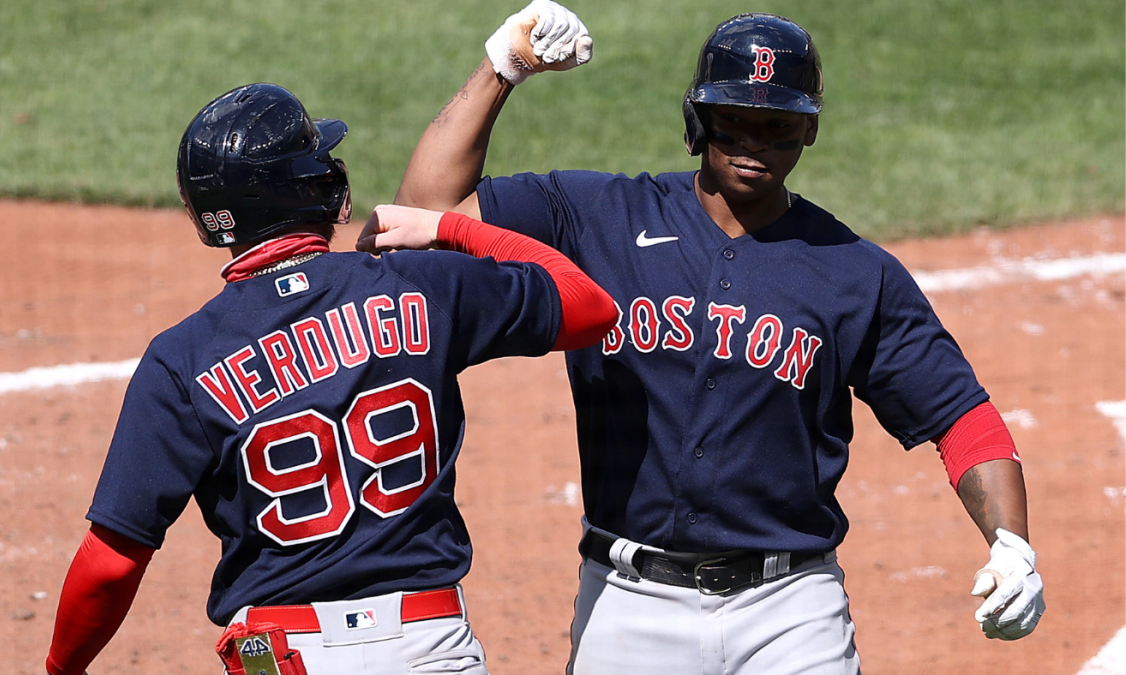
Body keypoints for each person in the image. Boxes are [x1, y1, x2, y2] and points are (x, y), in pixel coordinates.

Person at [377, 4, 1046, 674]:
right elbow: (423, 215)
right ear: (699, 122)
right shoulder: (597, 217)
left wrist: (1011, 544)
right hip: (627, 600)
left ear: (808, 130)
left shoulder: (854, 271)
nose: (754, 142)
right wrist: (502, 68)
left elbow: (962, 419)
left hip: (790, 610)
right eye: (735, 122)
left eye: (777, 126)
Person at [43, 82, 616, 675]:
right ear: (308, 188)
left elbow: (111, 561)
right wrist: (449, 228)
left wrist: (59, 669)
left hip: (286, 655)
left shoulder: (181, 359)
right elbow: (589, 306)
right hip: (428, 645)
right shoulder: (421, 284)